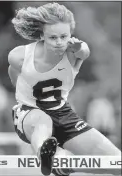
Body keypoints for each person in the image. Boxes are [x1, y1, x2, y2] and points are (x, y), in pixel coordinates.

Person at [8, 2, 121, 176]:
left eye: (64, 36)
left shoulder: (73, 53)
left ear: (70, 35)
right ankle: (46, 154)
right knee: (42, 121)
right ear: (41, 36)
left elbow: (84, 51)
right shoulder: (19, 56)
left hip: (64, 115)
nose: (59, 42)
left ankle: (64, 165)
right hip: (30, 113)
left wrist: (77, 46)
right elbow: (14, 76)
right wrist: (23, 99)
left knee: (116, 163)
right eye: (53, 38)